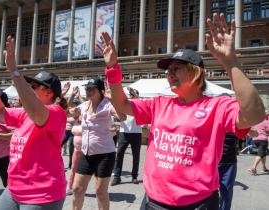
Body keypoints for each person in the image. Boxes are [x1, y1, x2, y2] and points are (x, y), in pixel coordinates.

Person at [98, 13, 265, 209]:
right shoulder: (160, 103)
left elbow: (255, 115)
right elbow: (122, 105)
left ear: (196, 73)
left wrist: (230, 62)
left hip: (196, 204)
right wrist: (112, 67)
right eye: (168, 71)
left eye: (176, 68)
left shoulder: (217, 106)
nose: (169, 74)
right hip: (152, 202)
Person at [0, 35, 67, 210]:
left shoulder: (56, 112)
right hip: (13, 190)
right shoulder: (23, 114)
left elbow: (38, 114)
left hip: (42, 195)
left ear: (49, 93)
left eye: (34, 86)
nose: (30, 88)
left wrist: (14, 70)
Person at [71, 76, 126, 210]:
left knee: (100, 192)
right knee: (77, 189)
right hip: (86, 153)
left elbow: (123, 117)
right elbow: (73, 112)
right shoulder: (85, 105)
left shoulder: (107, 105)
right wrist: (72, 108)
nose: (88, 91)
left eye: (92, 89)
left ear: (100, 91)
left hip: (105, 155)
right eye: (87, 88)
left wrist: (113, 99)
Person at [111, 87, 142, 186]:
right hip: (124, 132)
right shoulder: (125, 103)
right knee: (119, 154)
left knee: (136, 155)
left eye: (133, 95)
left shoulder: (139, 103)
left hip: (136, 133)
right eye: (130, 94)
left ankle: (134, 176)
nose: (131, 96)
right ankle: (117, 176)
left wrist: (135, 94)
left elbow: (141, 100)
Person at [218, 132, 240, 210]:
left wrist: (248, 128)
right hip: (211, 161)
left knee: (226, 192)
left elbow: (254, 133)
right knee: (208, 194)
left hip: (229, 162)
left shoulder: (234, 120)